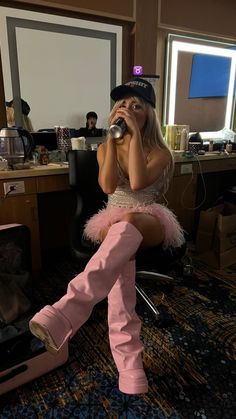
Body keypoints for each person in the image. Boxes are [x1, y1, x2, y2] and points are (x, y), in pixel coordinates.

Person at [29, 77, 184, 395]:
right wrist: (112, 142)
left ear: (148, 116)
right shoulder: (104, 148)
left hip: (149, 218)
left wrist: (136, 138)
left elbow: (139, 183)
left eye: (136, 106)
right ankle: (130, 370)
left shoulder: (160, 151)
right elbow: (108, 187)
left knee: (128, 222)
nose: (127, 109)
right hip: (115, 222)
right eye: (122, 105)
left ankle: (68, 310)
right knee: (121, 266)